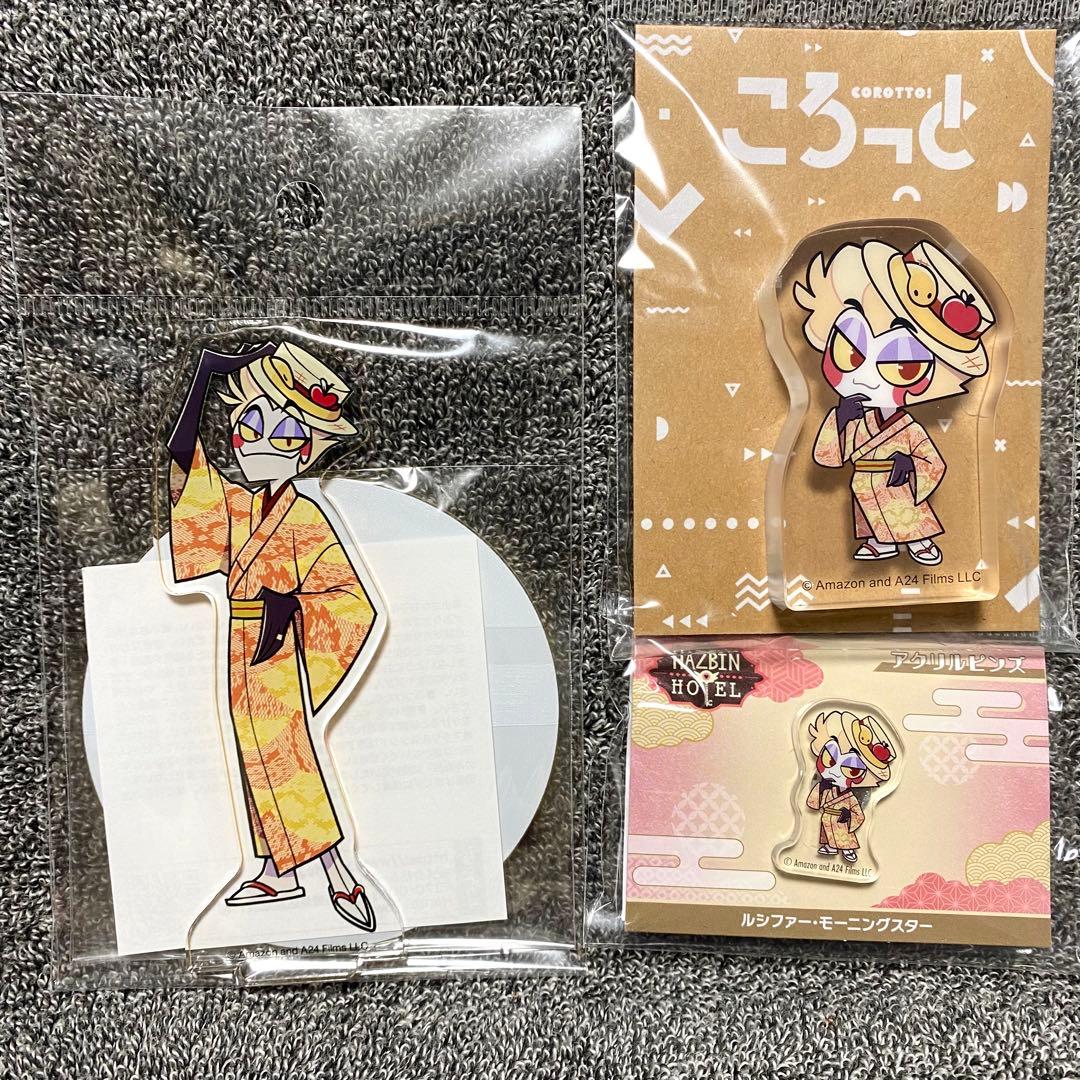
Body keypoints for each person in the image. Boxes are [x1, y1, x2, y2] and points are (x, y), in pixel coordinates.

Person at [167, 339, 382, 931]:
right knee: (250, 754)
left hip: (279, 648)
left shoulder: (306, 515)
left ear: (308, 449)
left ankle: (342, 877)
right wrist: (203, 379)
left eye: (284, 433)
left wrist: (288, 608)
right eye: (249, 426)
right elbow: (185, 465)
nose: (261, 442)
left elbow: (348, 598)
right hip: (240, 643)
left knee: (290, 758)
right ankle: (274, 870)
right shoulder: (239, 506)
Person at [795, 238, 995, 566]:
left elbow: (933, 462)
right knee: (873, 520)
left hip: (896, 485)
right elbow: (829, 457)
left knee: (908, 519)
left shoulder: (908, 428)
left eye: (901, 366)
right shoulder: (854, 418)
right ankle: (880, 543)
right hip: (865, 483)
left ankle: (919, 542)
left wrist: (911, 464)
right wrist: (840, 419)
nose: (866, 377)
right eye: (850, 350)